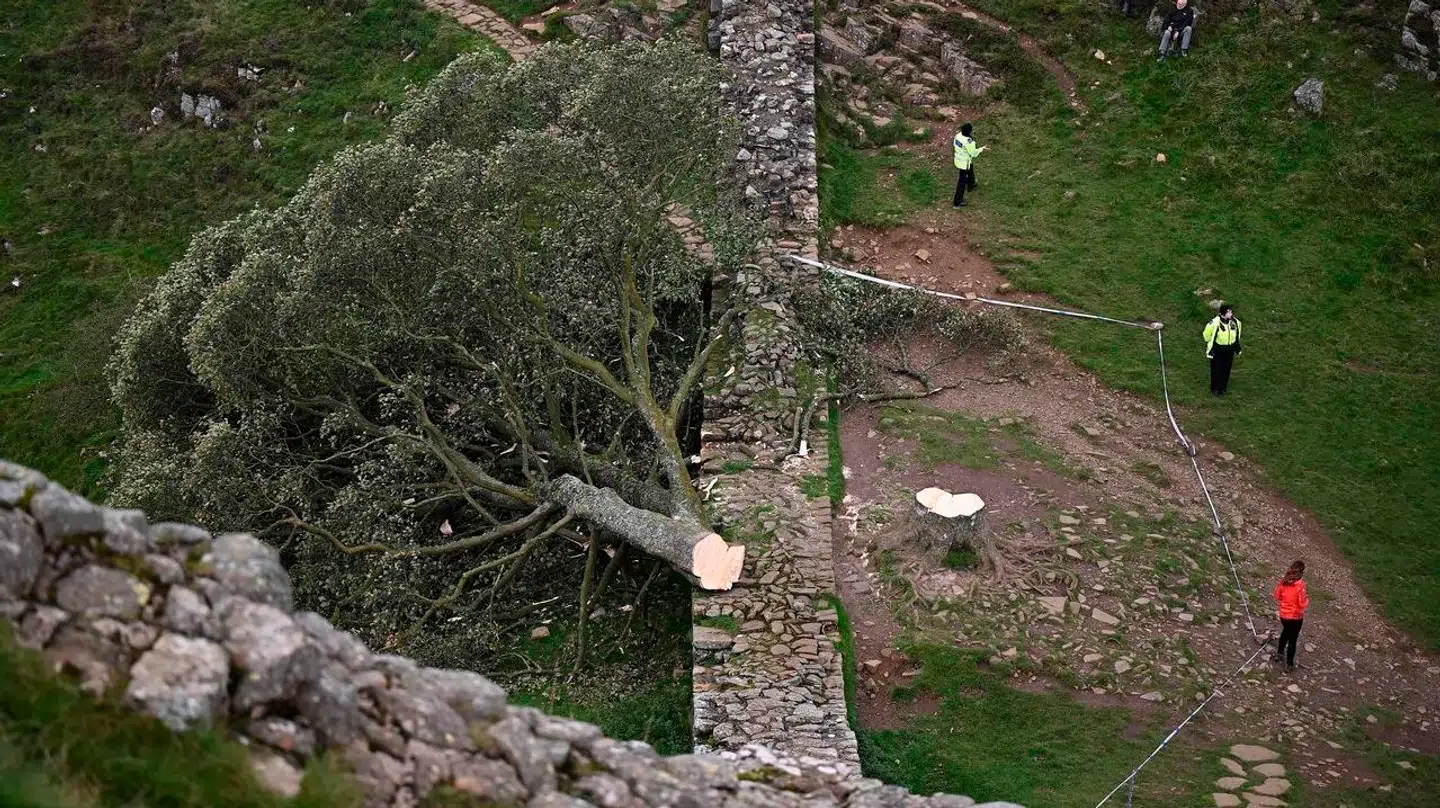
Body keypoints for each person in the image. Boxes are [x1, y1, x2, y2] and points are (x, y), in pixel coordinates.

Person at [1272, 560, 1310, 671]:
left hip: (1284, 616)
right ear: (1301, 572)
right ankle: (1289, 664)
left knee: (1285, 633)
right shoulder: (1301, 585)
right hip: (1295, 617)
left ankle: (1279, 654)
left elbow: (1277, 596)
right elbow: (1302, 603)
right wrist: (1307, 600)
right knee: (1293, 639)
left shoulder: (1283, 582)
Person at [1202, 303, 1242, 396]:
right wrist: (1210, 343)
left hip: (1229, 349)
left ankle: (1223, 388)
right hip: (1218, 350)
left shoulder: (1235, 322)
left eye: (1231, 311)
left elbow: (1237, 334)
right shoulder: (1215, 323)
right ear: (1223, 312)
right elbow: (1206, 335)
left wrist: (1236, 347)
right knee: (1216, 369)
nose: (1231, 313)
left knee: (1226, 369)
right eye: (1229, 312)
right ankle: (1215, 388)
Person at [952, 123, 985, 208]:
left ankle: (971, 183)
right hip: (964, 163)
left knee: (971, 169)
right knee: (962, 181)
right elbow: (973, 153)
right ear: (969, 131)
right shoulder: (969, 142)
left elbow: (954, 145)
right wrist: (981, 149)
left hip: (958, 159)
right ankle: (957, 201)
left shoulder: (958, 135)